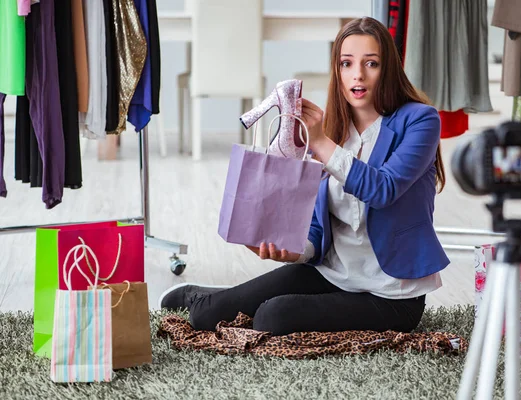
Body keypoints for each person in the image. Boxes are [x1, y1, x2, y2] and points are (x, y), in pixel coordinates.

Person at [159, 17, 450, 335]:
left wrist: (321, 143)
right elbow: (318, 226)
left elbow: (383, 189)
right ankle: (214, 297)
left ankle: (230, 297)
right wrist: (291, 252)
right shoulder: (336, 130)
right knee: (205, 317)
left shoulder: (420, 120)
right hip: (334, 273)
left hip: (391, 293)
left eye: (372, 63)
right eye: (346, 63)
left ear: (388, 68)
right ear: (337, 71)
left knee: (273, 317)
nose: (358, 74)